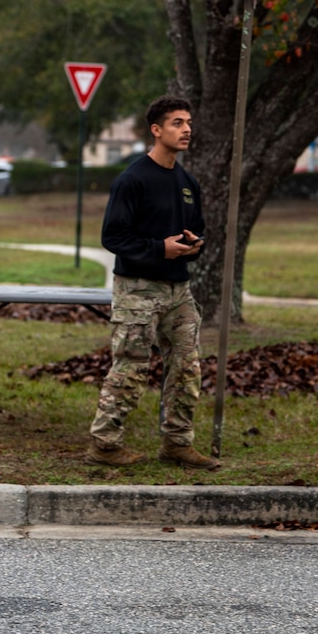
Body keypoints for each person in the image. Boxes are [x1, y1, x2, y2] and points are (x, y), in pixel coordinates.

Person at [88, 95, 221, 471]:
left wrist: (193, 246)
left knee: (187, 367)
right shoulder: (132, 180)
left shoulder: (187, 182)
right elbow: (114, 238)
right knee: (131, 366)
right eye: (178, 123)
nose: (187, 129)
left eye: (189, 122)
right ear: (156, 130)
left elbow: (198, 230)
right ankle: (105, 444)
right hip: (138, 289)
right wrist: (159, 248)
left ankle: (177, 443)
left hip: (179, 290)